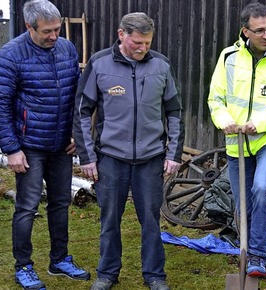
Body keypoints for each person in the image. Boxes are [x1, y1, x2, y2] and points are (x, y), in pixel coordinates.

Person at [74, 12, 184, 290]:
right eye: (137, 42)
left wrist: (172, 154)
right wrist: (87, 157)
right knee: (109, 219)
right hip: (110, 159)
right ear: (121, 34)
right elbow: (82, 112)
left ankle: (155, 276)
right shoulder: (99, 64)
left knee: (151, 220)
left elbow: (174, 112)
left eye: (147, 43)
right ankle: (107, 274)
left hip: (150, 159)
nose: (143, 48)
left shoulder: (161, 65)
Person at [0, 0, 90, 289]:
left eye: (57, 29)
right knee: (27, 206)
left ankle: (59, 259)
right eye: (47, 31)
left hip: (61, 144)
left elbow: (77, 95)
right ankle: (23, 266)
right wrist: (11, 149)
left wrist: (75, 135)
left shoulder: (66, 49)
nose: (53, 36)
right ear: (28, 27)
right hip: (28, 146)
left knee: (60, 203)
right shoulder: (10, 56)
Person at [207, 2, 266, 278]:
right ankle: (249, 253)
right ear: (245, 32)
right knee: (243, 205)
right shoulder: (228, 58)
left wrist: (260, 123)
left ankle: (259, 257)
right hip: (236, 142)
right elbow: (215, 99)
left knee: (262, 189)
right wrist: (224, 120)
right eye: (259, 30)